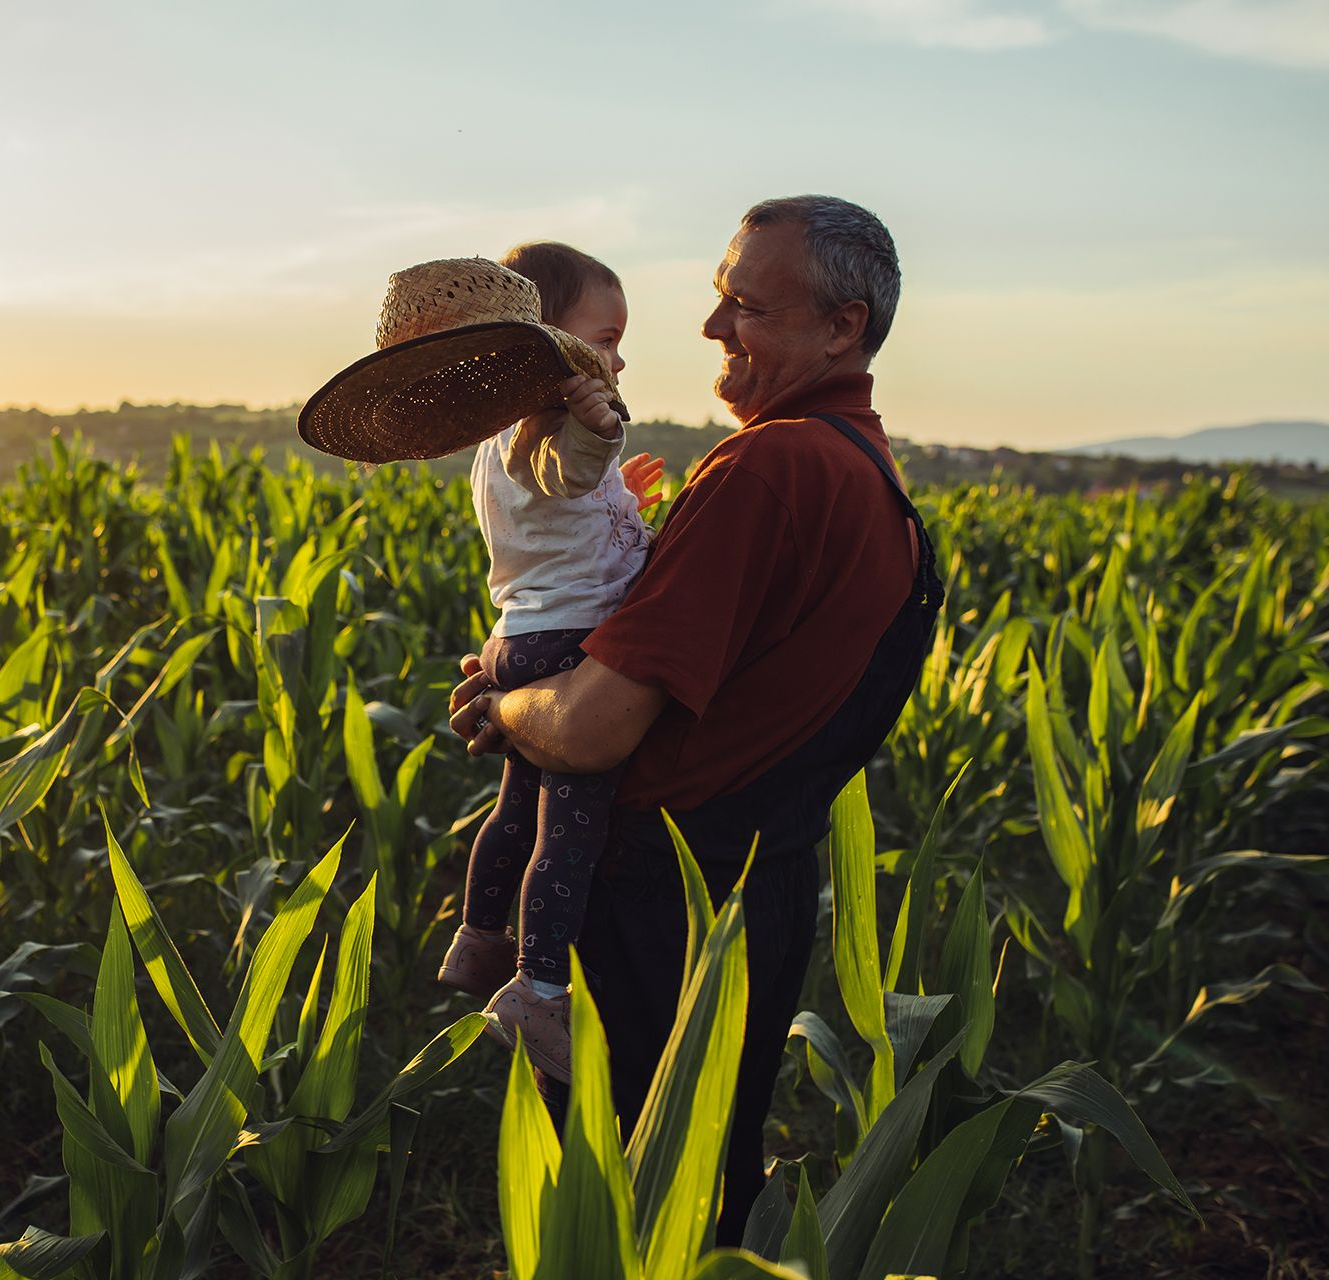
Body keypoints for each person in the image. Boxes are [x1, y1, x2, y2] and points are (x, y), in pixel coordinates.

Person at [449, 195, 944, 1242]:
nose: (714, 328)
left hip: (660, 903)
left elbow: (587, 731)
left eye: (745, 306)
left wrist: (504, 705)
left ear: (842, 326)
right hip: (751, 893)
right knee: (698, 1180)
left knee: (610, 1205)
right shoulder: (866, 470)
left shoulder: (770, 467)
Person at [436, 242, 664, 1086]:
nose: (618, 357)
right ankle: (537, 989)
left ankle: (477, 937)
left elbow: (563, 505)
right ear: (547, 344)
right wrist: (600, 430)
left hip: (518, 637)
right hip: (569, 643)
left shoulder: (502, 440)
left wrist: (621, 486)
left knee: (515, 808)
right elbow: (564, 470)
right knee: (570, 827)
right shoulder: (552, 430)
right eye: (604, 337)